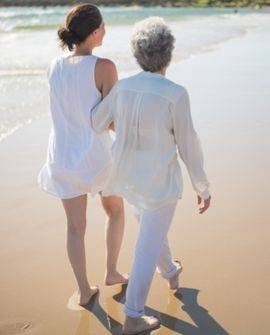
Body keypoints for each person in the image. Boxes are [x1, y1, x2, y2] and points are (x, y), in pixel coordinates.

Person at [91, 17, 212, 334]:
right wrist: (202, 186)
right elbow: (189, 145)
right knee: (146, 244)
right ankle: (132, 316)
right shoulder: (175, 93)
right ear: (168, 54)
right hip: (159, 182)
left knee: (150, 232)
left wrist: (125, 123)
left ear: (137, 54)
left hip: (128, 178)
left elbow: (96, 121)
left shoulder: (122, 88)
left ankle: (171, 272)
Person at [37, 3, 128, 307]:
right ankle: (112, 272)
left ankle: (84, 290)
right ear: (92, 33)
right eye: (102, 26)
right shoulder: (105, 67)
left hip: (62, 155)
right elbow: (111, 119)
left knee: (75, 227)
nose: (105, 31)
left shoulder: (54, 66)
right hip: (97, 156)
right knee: (115, 210)